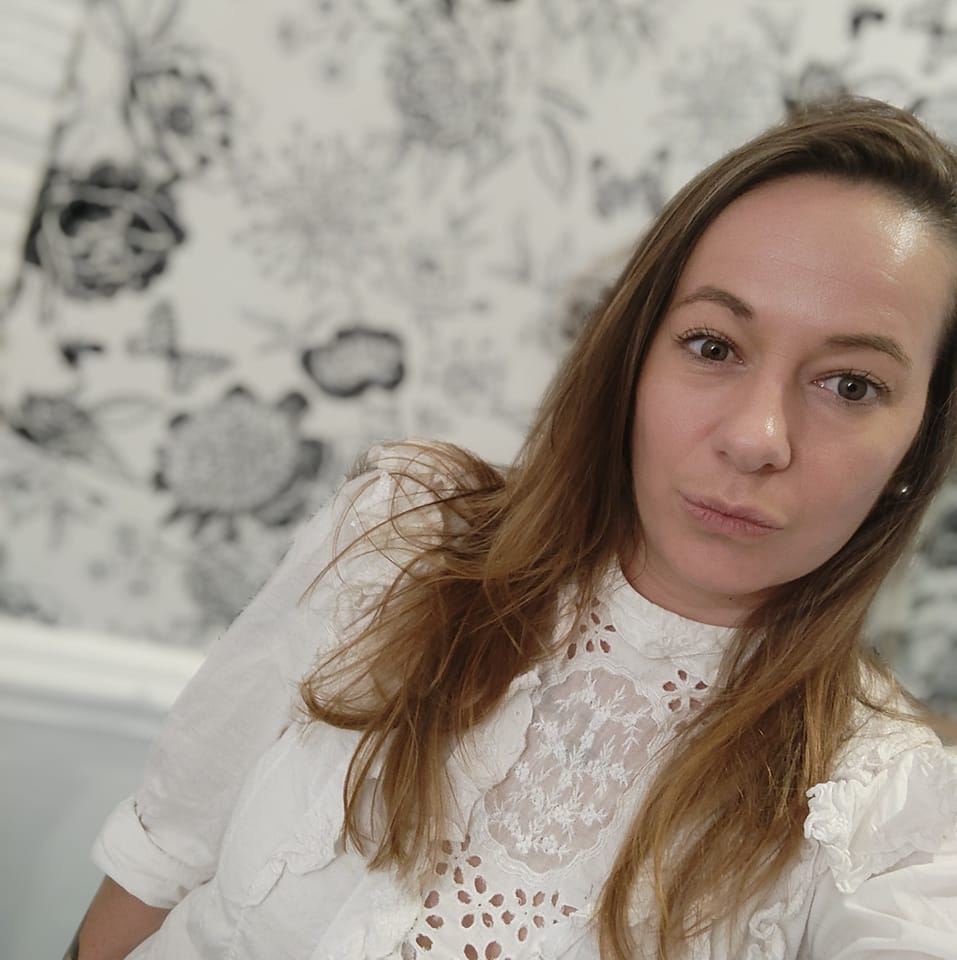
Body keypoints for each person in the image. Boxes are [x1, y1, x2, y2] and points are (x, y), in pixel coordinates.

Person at [69, 96, 957, 960]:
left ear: (918, 446)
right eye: (712, 346)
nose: (755, 438)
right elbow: (160, 863)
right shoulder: (399, 534)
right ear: (633, 358)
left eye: (850, 386)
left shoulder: (885, 808)